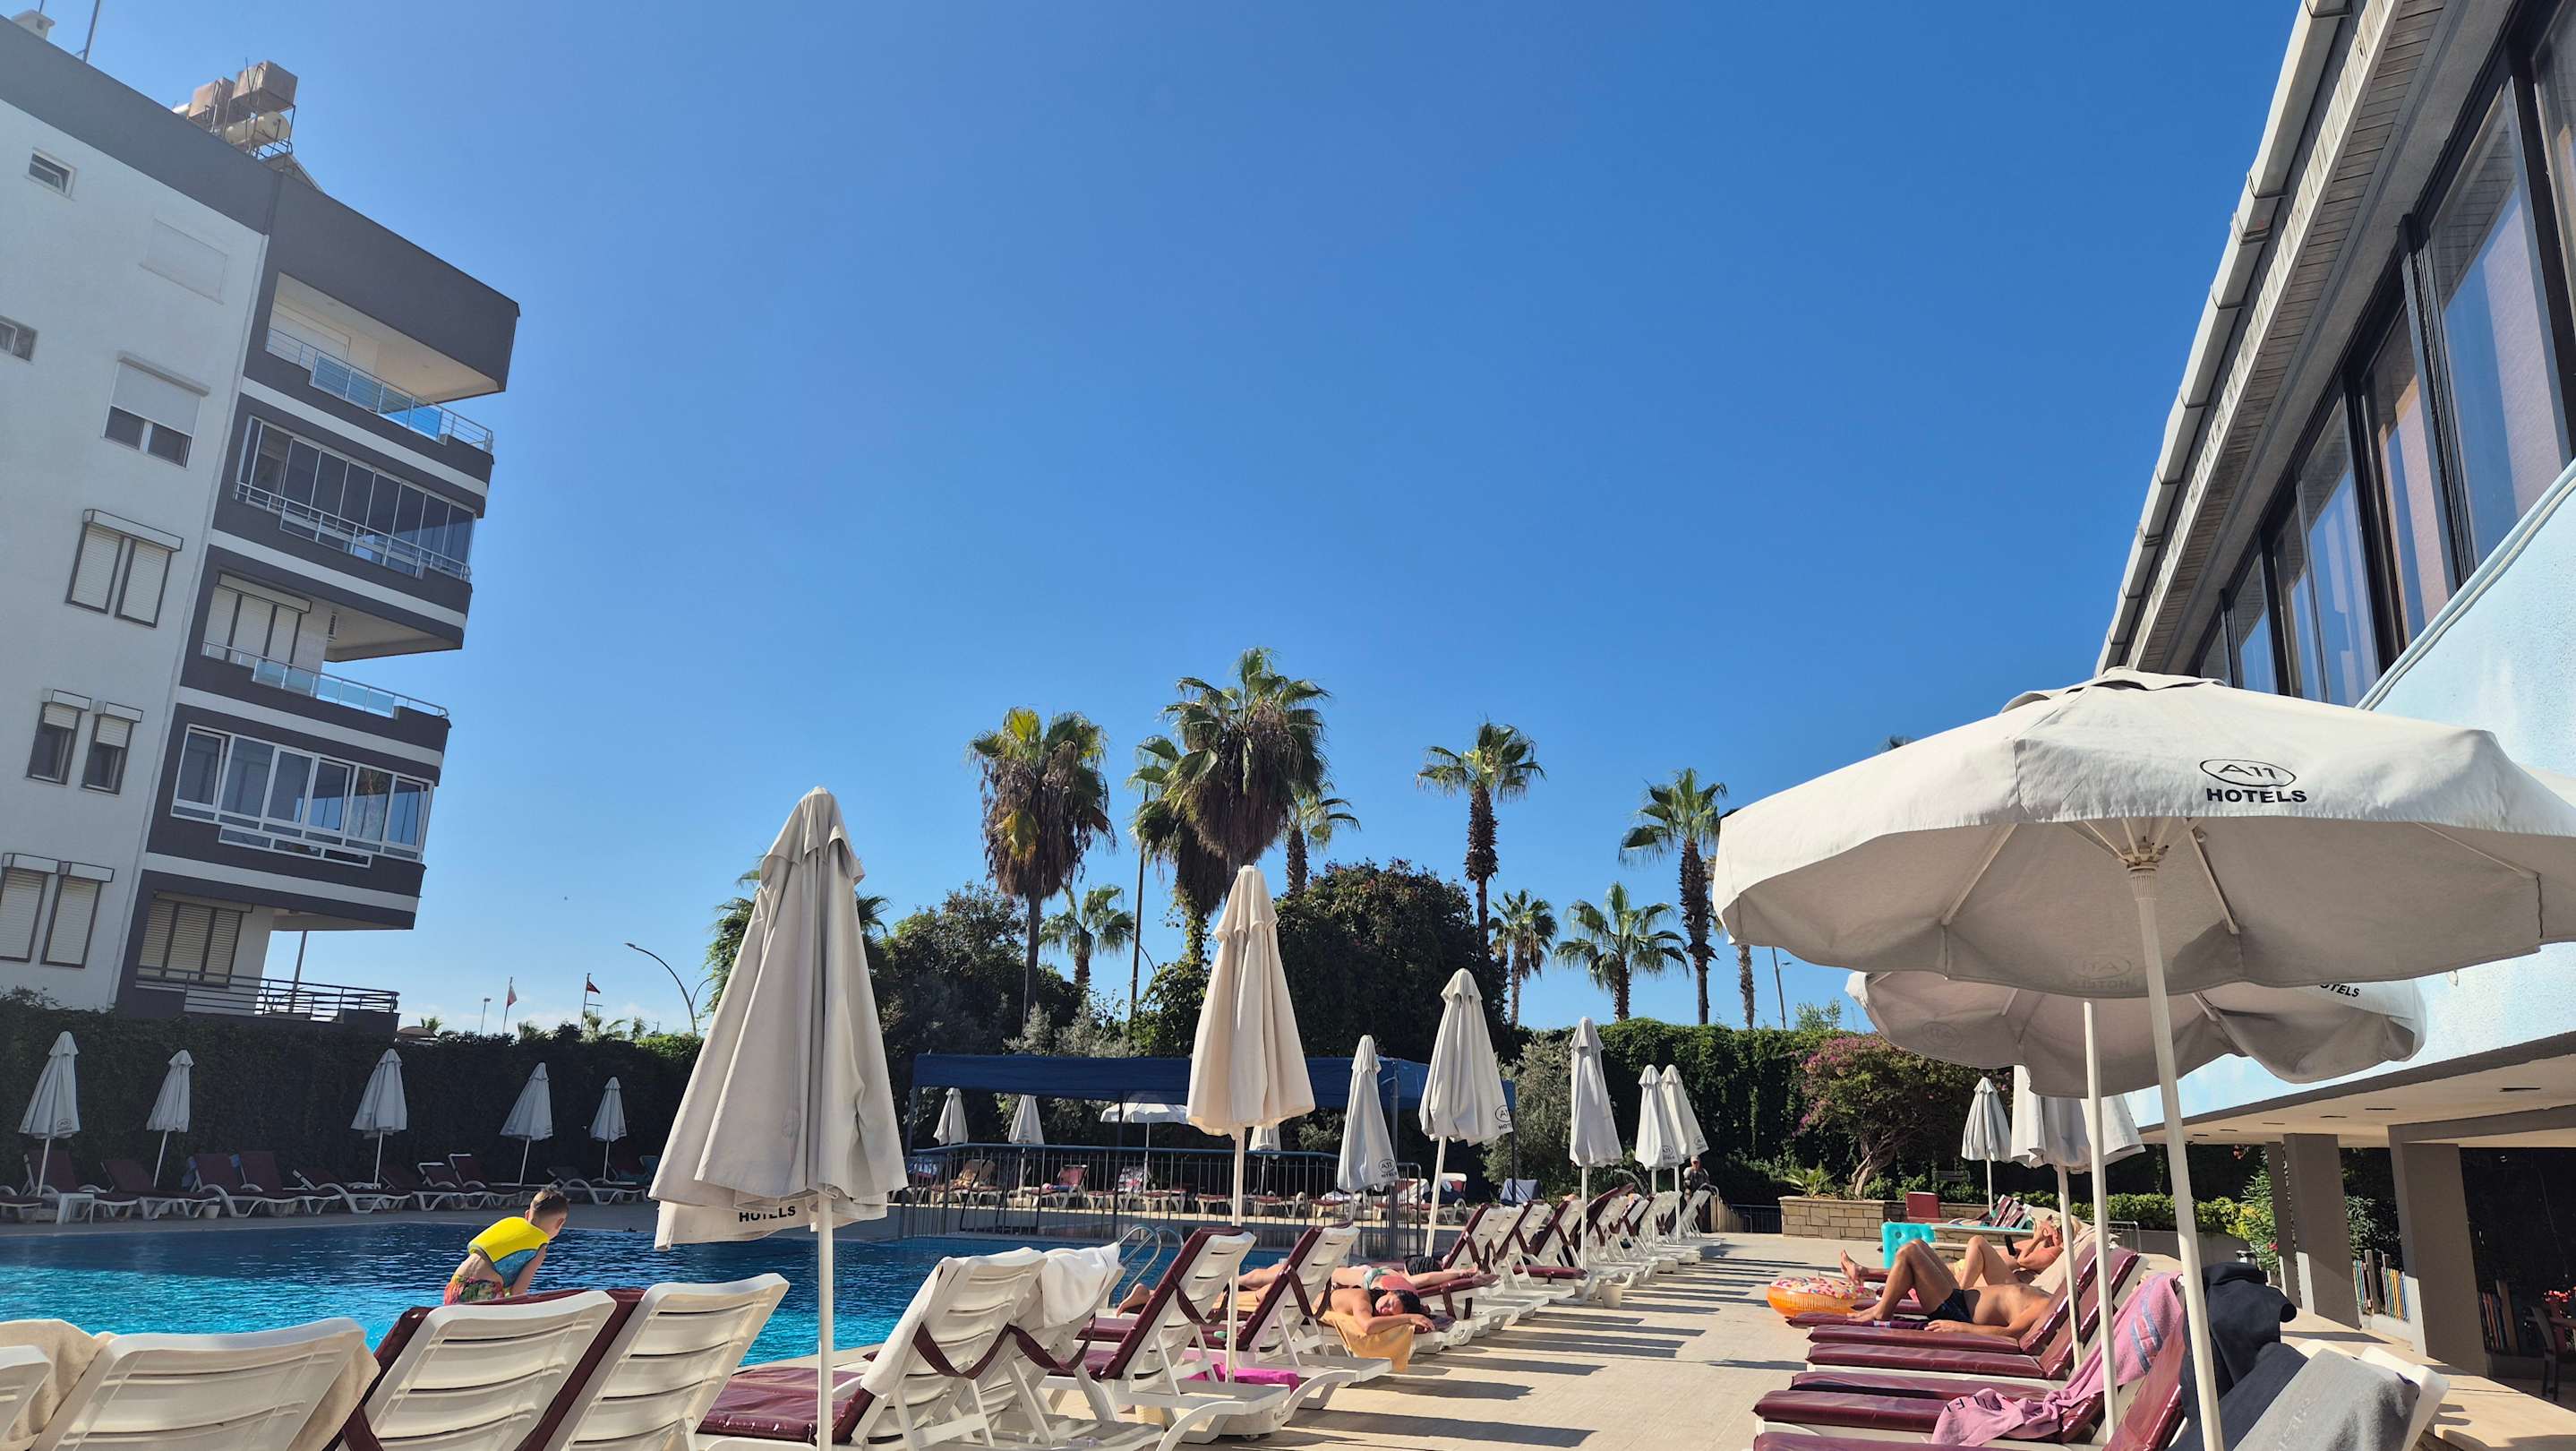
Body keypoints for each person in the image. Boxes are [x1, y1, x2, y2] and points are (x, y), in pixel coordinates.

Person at [1837, 1236, 2054, 1338]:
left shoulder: (2045, 1304)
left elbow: (2010, 1333)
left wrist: (1960, 1328)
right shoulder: (2050, 1297)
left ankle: (1882, 1311)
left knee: (1908, 1253)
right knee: (1917, 1245)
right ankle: (1879, 1301)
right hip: (1960, 1297)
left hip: (1958, 1313)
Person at [445, 1188, 570, 1304]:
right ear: (560, 1223)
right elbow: (517, 1293)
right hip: (483, 1289)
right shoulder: (540, 1247)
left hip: (455, 1285)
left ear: (527, 1215)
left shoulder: (509, 1225)